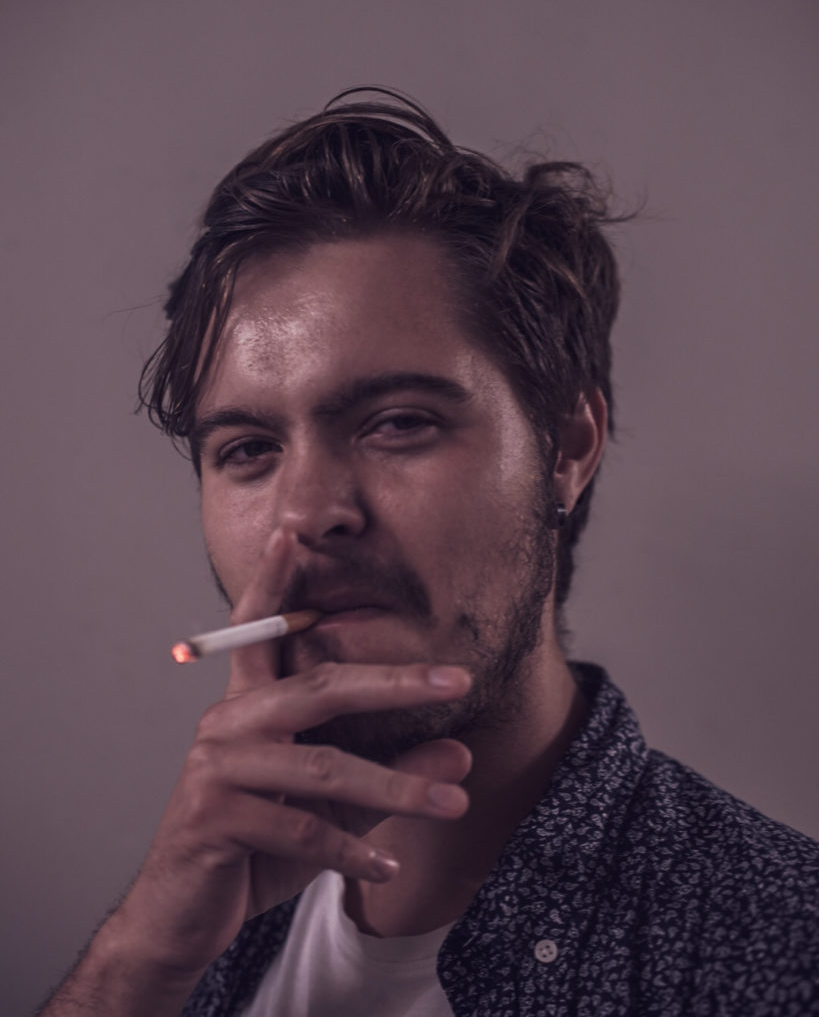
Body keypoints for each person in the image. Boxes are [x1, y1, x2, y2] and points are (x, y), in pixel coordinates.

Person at [40, 90, 818, 1017]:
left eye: (397, 423)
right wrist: (139, 959)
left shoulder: (780, 948)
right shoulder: (180, 943)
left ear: (566, 445)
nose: (308, 513)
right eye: (247, 449)